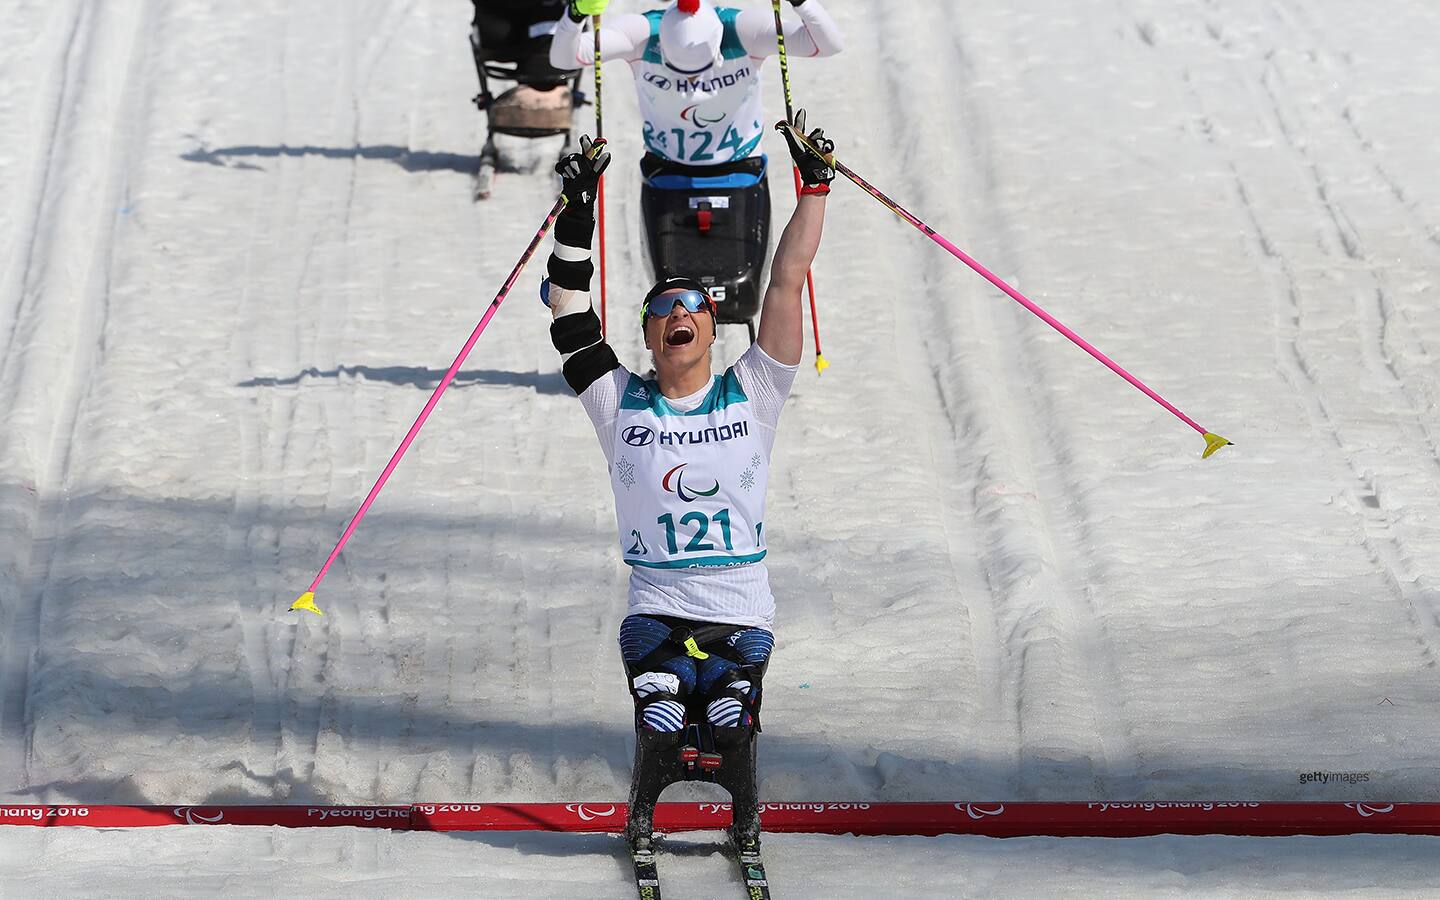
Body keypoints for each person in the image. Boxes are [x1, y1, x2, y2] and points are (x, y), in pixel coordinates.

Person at [541, 111, 835, 852]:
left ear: (712, 329)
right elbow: (568, 313)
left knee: (732, 717)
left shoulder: (753, 390)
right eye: (663, 308)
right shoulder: (621, 402)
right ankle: (652, 789)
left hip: (741, 608)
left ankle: (739, 804)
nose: (679, 314)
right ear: (647, 335)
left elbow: (788, 277)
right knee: (664, 706)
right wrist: (577, 212)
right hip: (657, 609)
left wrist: (815, 187)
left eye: (693, 307)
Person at [548, 0, 843, 166]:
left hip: (741, 164)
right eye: (675, 68)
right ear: (661, 43)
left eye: (701, 70)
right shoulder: (642, 31)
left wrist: (801, 3)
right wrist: (576, 14)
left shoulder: (741, 29)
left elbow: (828, 45)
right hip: (665, 167)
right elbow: (563, 59)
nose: (692, 84)